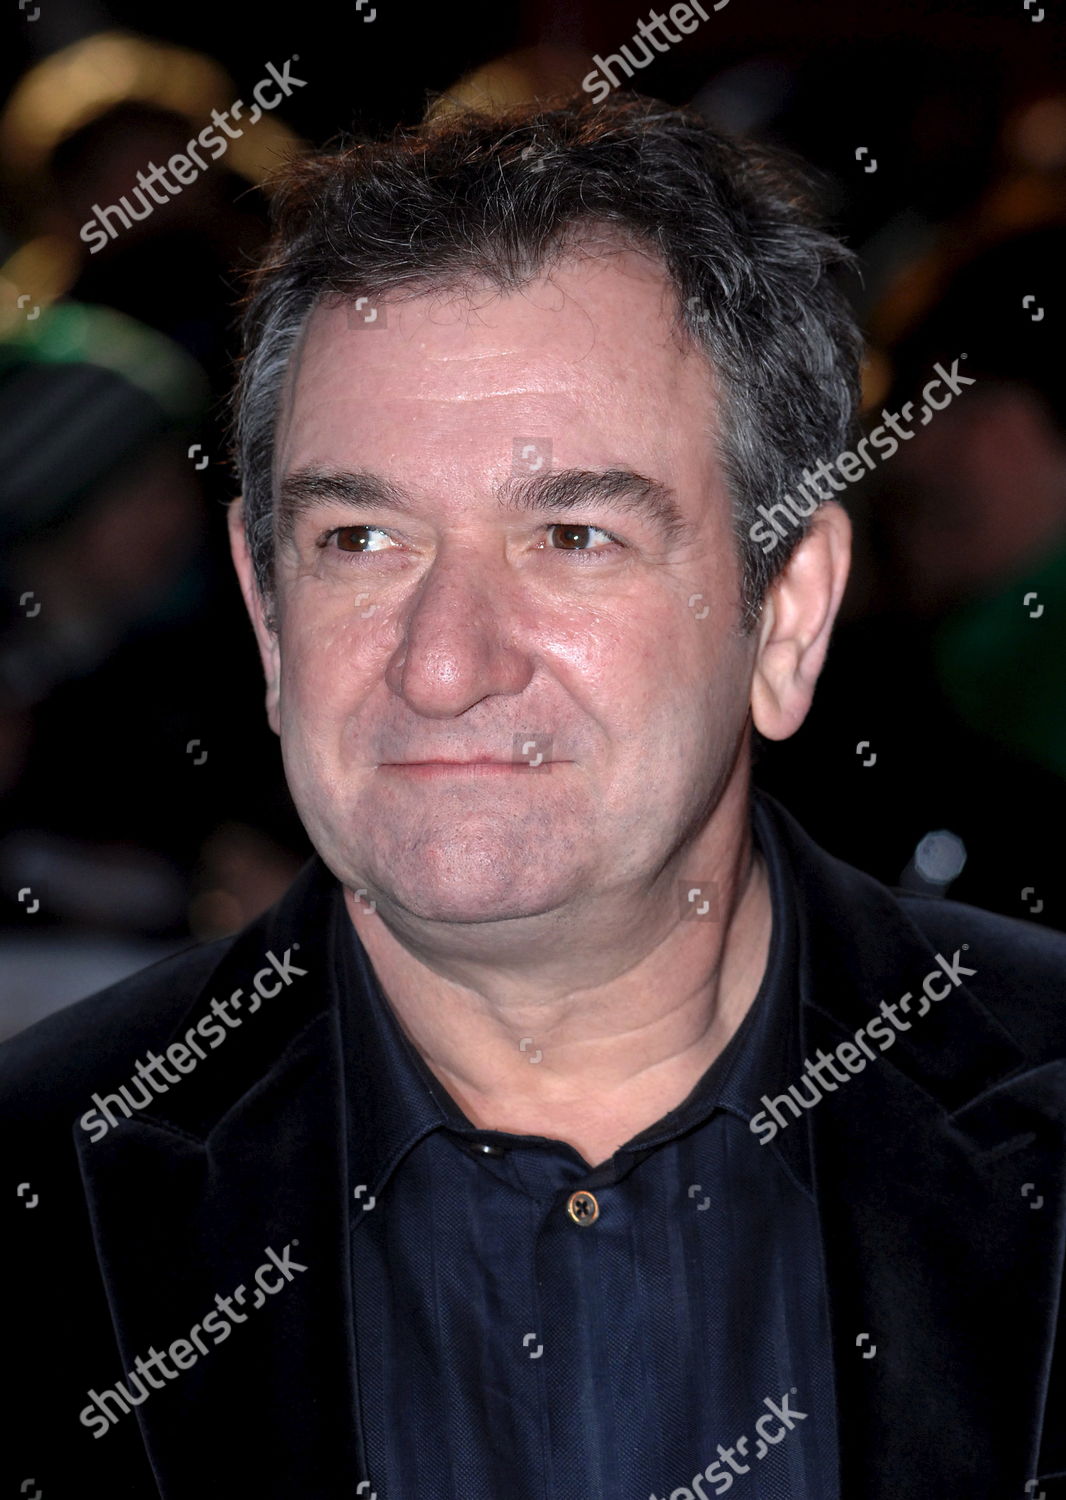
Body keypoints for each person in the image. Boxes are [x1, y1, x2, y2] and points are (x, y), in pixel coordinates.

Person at [3, 94, 1064, 1500]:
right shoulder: (37, 1194)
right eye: (360, 537)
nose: (443, 664)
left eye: (574, 535)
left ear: (786, 615)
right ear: (268, 617)